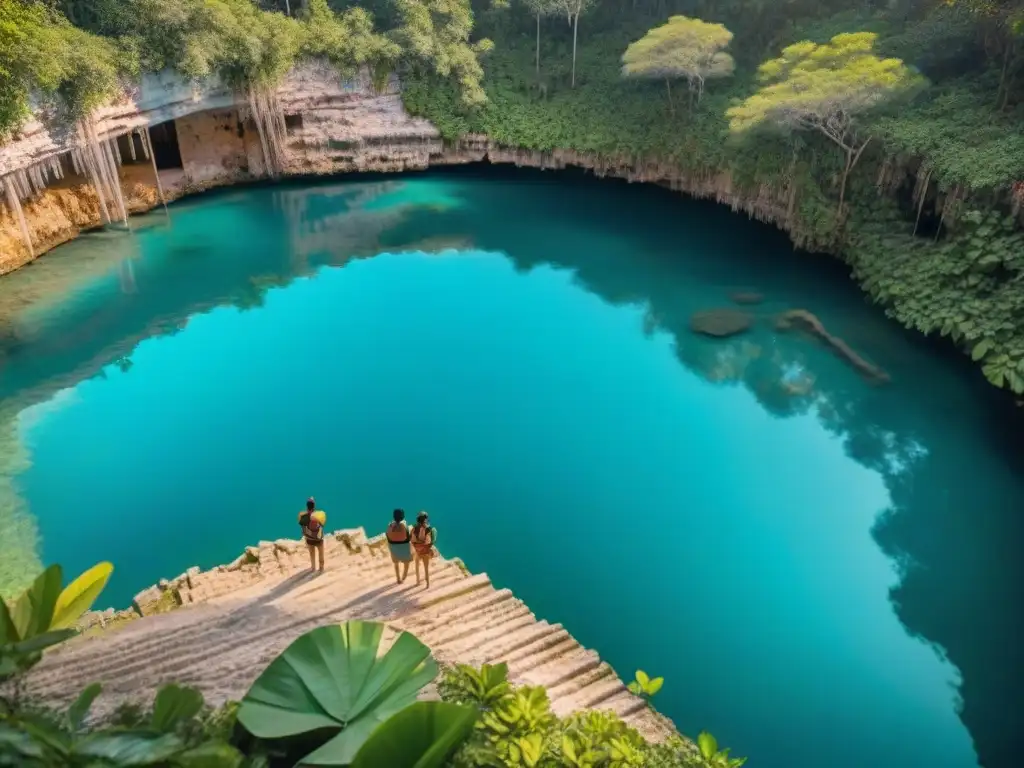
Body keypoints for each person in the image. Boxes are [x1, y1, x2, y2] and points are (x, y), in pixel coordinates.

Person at [298, 497, 326, 573]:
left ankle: (313, 568)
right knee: (321, 554)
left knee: (312, 554)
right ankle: (321, 569)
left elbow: (301, 524)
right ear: (314, 506)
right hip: (319, 539)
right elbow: (323, 523)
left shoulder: (302, 515)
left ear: (307, 506)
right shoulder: (320, 514)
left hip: (309, 539)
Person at [386, 509, 413, 584]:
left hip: (393, 547)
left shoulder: (390, 525)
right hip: (404, 547)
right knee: (406, 563)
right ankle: (403, 577)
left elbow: (387, 535)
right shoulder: (404, 525)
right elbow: (408, 537)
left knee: (396, 563)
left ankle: (398, 578)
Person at [412, 511, 437, 588]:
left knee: (416, 565)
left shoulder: (414, 528)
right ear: (426, 519)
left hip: (418, 551)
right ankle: (427, 584)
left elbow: (412, 540)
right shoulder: (431, 529)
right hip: (426, 552)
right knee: (426, 568)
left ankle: (418, 581)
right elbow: (433, 540)